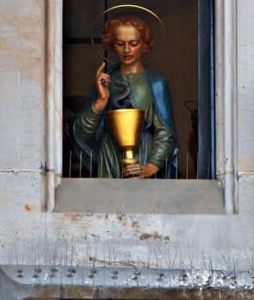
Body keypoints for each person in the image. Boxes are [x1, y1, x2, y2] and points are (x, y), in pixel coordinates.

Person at [73, 16, 177, 179]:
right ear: (113, 45)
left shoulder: (156, 84)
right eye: (120, 44)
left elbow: (165, 132)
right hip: (110, 156)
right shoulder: (105, 82)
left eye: (133, 43)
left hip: (144, 154)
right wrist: (101, 101)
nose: (127, 50)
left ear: (144, 45)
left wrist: (150, 166)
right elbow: (82, 133)